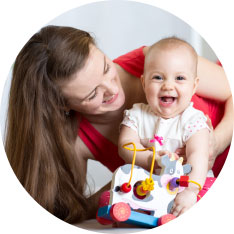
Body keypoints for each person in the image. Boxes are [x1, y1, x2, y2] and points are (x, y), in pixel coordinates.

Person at [5, 25, 233, 224]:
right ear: (62, 106)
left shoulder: (159, 60)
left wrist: (218, 141)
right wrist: (136, 174)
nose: (112, 90)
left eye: (106, 67)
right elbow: (77, 208)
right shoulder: (77, 139)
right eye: (93, 93)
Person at [118, 37, 213, 216]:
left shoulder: (193, 120)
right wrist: (149, 159)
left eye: (179, 78)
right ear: (144, 83)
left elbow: (198, 155)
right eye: (158, 77)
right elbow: (125, 146)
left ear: (194, 86)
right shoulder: (136, 115)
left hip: (186, 185)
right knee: (117, 195)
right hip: (147, 187)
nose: (168, 85)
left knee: (209, 192)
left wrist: (190, 190)